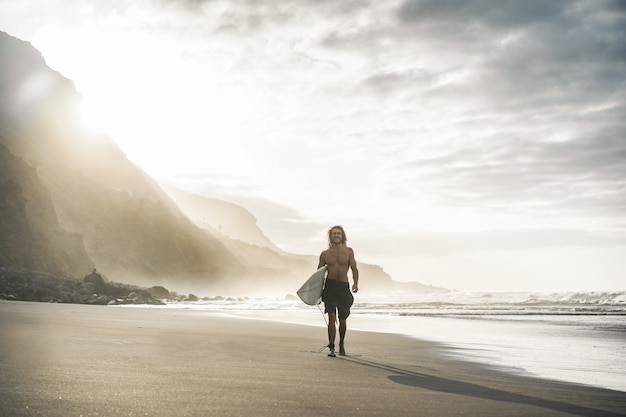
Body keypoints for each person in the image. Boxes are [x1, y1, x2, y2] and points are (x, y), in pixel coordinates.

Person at [318, 225, 359, 357]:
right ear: (330, 236)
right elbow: (318, 273)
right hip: (330, 287)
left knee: (342, 319)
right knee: (331, 317)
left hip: (343, 287)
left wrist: (355, 283)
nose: (336, 235)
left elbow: (354, 268)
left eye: (339, 234)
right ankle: (332, 347)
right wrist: (317, 291)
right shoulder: (325, 254)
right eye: (334, 234)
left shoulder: (348, 251)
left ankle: (341, 343)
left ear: (342, 236)